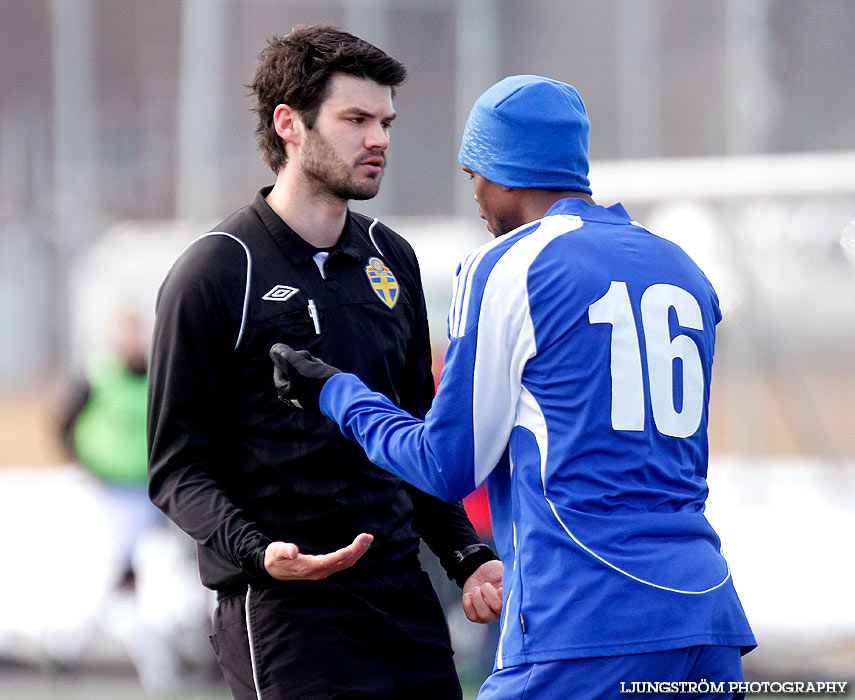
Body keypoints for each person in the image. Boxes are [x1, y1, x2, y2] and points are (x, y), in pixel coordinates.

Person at [271, 74, 757, 699]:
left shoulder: (508, 264)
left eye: (473, 173)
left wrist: (336, 393)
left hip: (586, 618)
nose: (475, 195)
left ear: (498, 170)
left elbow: (446, 466)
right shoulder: (682, 267)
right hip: (705, 612)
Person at [147, 26, 502, 700]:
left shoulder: (389, 258)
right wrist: (259, 553)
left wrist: (466, 556)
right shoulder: (217, 270)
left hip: (402, 593)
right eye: (356, 119)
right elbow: (175, 469)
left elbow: (412, 436)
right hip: (286, 611)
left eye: (385, 122)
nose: (379, 139)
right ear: (289, 124)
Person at [57, 309, 179, 696]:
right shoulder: (97, 375)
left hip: (152, 490)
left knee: (139, 575)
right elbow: (64, 424)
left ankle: (70, 647)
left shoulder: (157, 373)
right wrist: (86, 466)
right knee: (126, 576)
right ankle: (155, 667)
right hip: (112, 492)